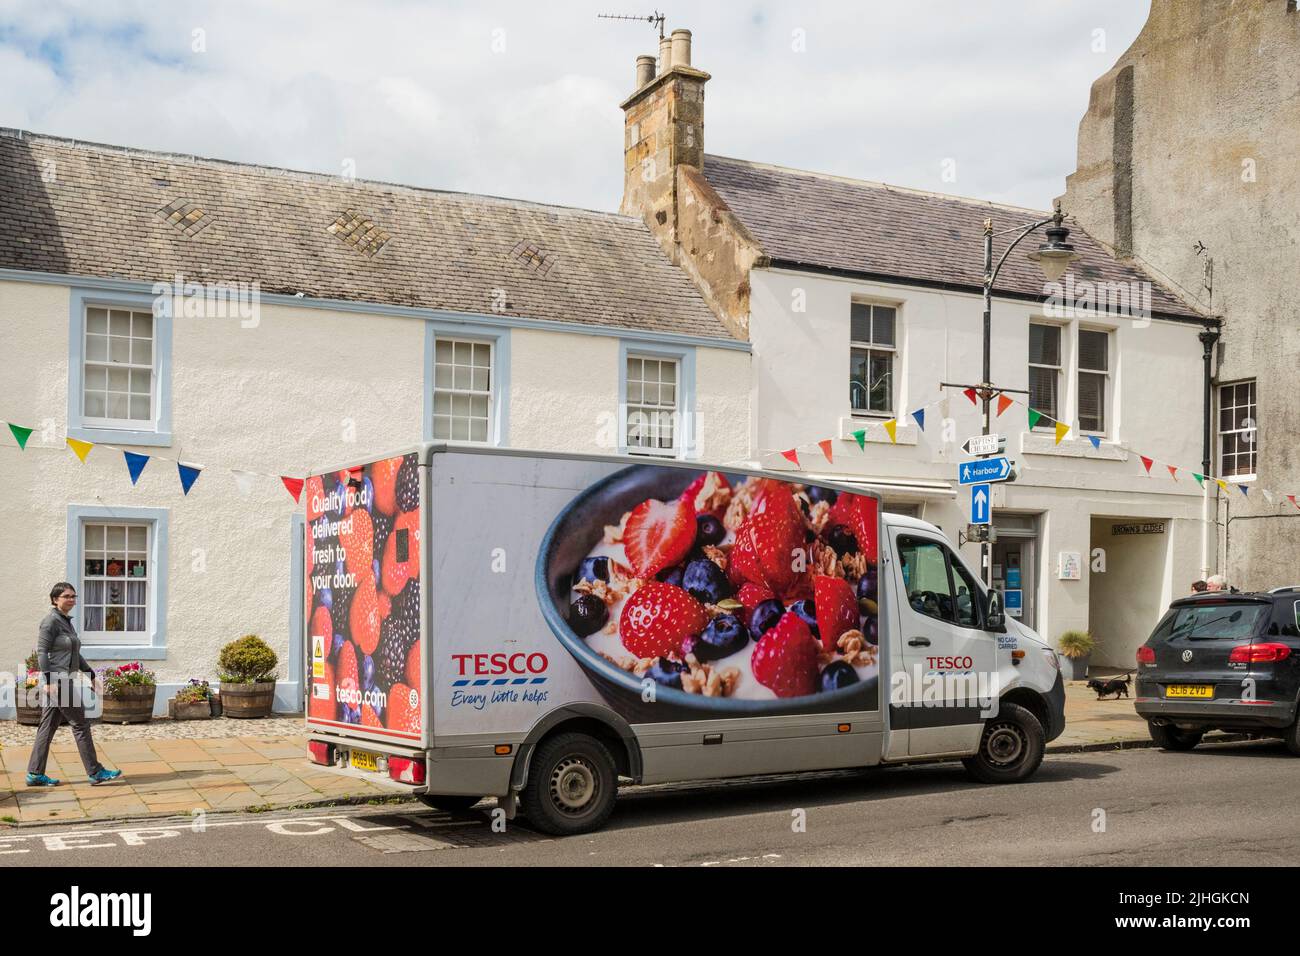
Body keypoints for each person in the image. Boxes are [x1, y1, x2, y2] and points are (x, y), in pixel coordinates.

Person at [25, 582, 122, 787]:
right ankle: (95, 772)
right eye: (66, 596)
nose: (71, 599)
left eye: (73, 596)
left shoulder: (66, 622)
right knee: (80, 724)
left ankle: (34, 773)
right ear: (55, 599)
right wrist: (50, 681)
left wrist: (91, 675)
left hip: (64, 679)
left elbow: (75, 654)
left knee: (47, 726)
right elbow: (42, 652)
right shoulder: (50, 622)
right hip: (58, 681)